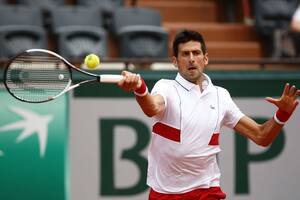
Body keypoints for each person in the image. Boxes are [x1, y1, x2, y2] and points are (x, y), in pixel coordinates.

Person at [117, 29, 300, 200]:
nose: (191, 59)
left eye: (196, 53)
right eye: (185, 54)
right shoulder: (166, 87)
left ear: (205, 59)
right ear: (175, 61)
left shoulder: (221, 96)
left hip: (207, 189)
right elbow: (151, 108)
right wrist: (140, 88)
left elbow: (261, 136)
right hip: (166, 192)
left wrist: (282, 115)